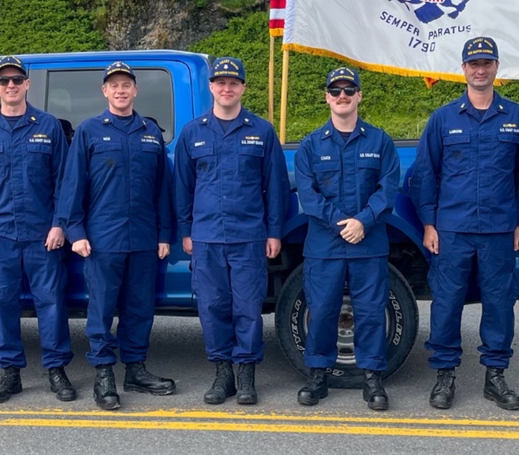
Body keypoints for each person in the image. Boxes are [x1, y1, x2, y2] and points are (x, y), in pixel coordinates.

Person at [409, 36, 519, 411]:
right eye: (473, 63)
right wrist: (429, 224)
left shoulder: (516, 117)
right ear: (463, 69)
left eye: (486, 63)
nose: (479, 69)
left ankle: (495, 376)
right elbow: (425, 175)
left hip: (499, 230)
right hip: (452, 229)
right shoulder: (444, 118)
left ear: (496, 67)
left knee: (499, 304)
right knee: (446, 304)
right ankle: (445, 376)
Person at [57, 61, 176, 410]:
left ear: (135, 90)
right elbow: (72, 185)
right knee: (102, 309)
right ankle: (104, 375)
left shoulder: (150, 133)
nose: (121, 90)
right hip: (102, 238)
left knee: (140, 308)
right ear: (105, 91)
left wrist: (164, 233)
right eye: (114, 85)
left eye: (127, 84)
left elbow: (162, 191)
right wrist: (75, 231)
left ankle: (136, 370)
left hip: (143, 237)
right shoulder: (90, 132)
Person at [0, 56, 77, 404]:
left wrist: (60, 224)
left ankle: (56, 369)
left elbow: (64, 182)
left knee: (51, 304)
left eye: (17, 79)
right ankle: (10, 373)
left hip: (43, 235)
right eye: (4, 80)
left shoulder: (49, 125)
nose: (11, 85)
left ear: (27, 84)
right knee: (1, 305)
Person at [174, 56, 290, 405]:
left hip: (249, 237)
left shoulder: (261, 131)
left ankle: (246, 374)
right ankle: (222, 373)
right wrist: (186, 230)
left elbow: (276, 187)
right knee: (212, 307)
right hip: (206, 237)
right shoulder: (193, 132)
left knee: (247, 308)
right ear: (211, 87)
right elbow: (182, 186)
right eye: (220, 82)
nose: (226, 88)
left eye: (233, 83)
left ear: (243, 88)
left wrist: (274, 232)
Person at [293, 67, 400, 410]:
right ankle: (318, 376)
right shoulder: (310, 145)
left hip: (368, 244)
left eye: (348, 90)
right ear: (326, 96)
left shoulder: (379, 141)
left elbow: (388, 189)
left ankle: (373, 379)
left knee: (370, 312)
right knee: (322, 310)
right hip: (325, 246)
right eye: (335, 91)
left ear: (359, 96)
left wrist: (363, 222)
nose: (342, 96)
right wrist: (343, 223)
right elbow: (308, 196)